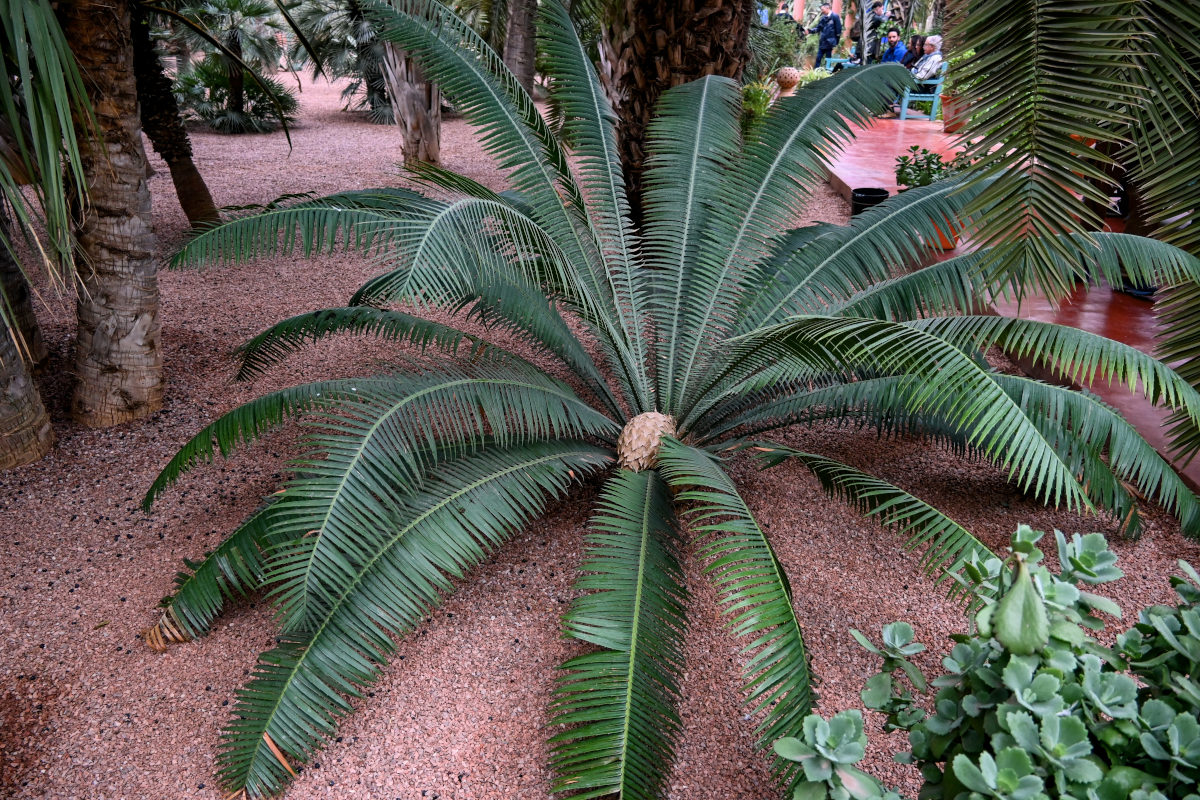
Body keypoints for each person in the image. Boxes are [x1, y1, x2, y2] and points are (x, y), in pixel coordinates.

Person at [808, 2, 843, 72]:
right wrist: (810, 31)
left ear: (827, 8)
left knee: (828, 59)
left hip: (830, 43)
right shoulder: (822, 18)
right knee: (818, 58)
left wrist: (836, 42)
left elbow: (838, 30)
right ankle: (815, 73)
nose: (822, 11)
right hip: (822, 42)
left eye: (822, 9)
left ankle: (827, 73)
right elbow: (818, 28)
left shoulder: (835, 16)